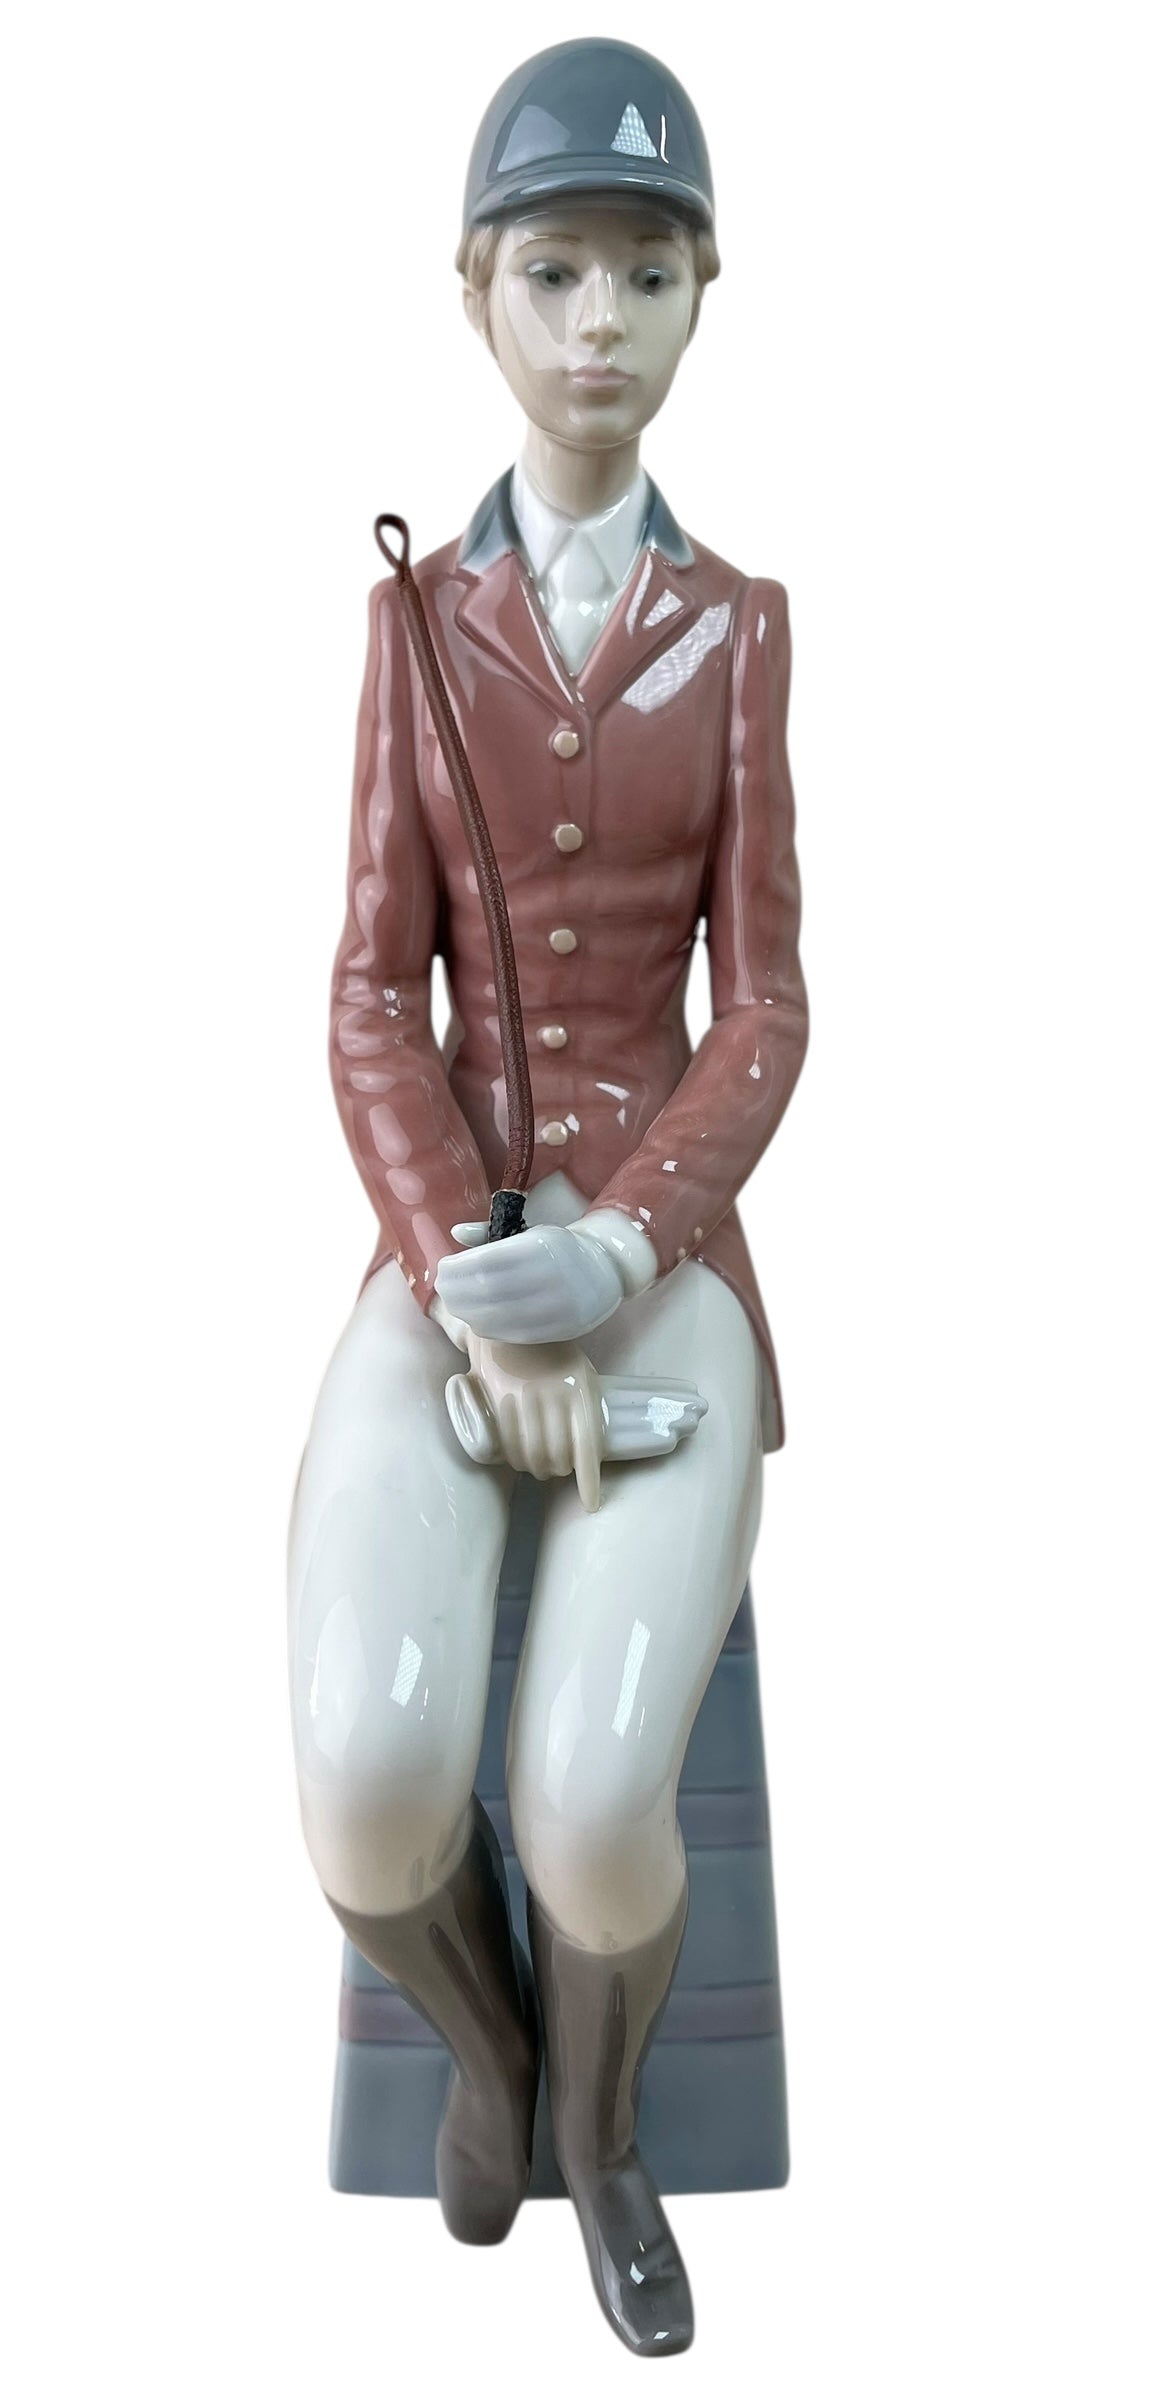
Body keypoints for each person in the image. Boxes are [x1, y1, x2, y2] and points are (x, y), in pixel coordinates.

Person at [288, 38, 808, 2357]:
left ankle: (601, 2136)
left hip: (658, 1252)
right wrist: (456, 1266)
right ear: (477, 292)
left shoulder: (743, 626)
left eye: (647, 273)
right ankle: (488, 2058)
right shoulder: (413, 630)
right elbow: (364, 995)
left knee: (597, 1798)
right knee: (364, 1771)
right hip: (449, 1250)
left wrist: (628, 1239)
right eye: (557, 272)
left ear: (703, 294)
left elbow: (765, 1003)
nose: (602, 322)